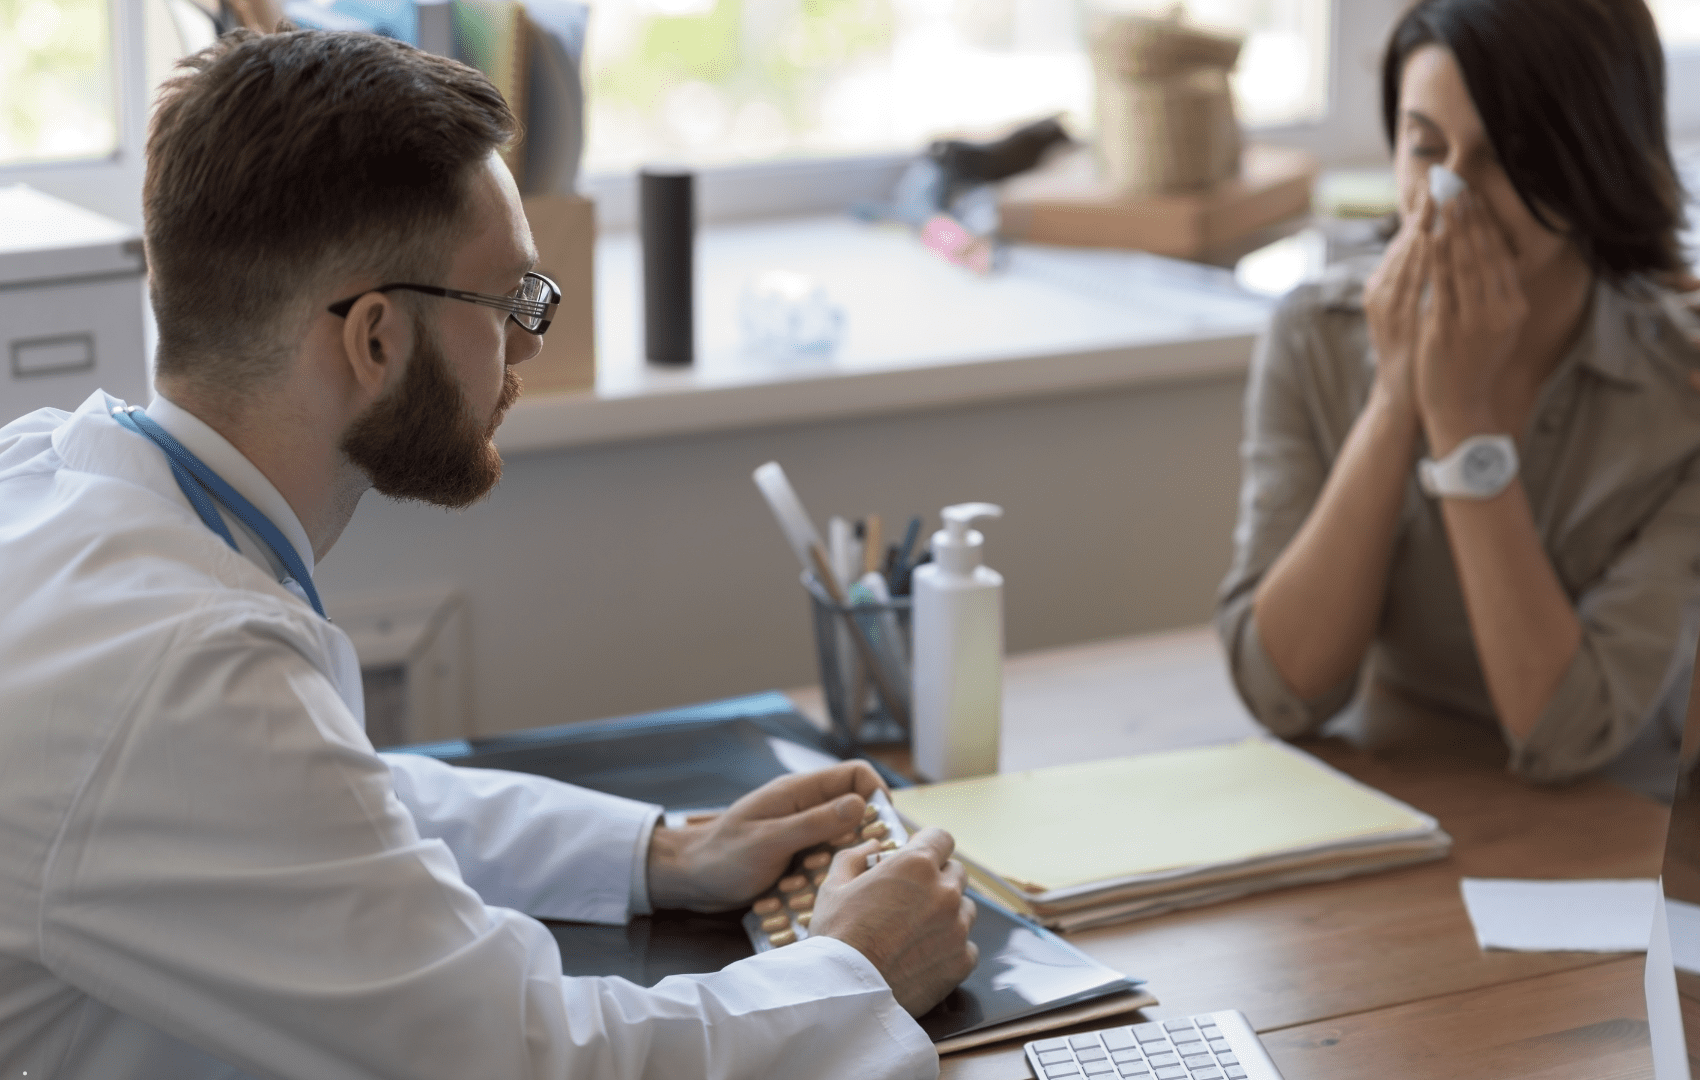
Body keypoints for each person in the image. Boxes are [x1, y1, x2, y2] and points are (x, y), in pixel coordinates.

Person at [0, 28, 977, 1080]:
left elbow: (314, 803)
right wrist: (850, 966)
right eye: (511, 301)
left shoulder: (60, 478)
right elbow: (525, 1060)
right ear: (374, 339)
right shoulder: (188, 668)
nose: (528, 345)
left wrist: (660, 852)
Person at [1216, 0, 1700, 786]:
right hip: (1404, 792)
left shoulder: (1678, 390)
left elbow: (1566, 734)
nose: (1449, 196)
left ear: (1595, 153)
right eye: (1426, 148)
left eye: (1506, 154)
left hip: (1621, 830)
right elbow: (1283, 694)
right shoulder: (1314, 335)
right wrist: (1398, 399)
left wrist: (1464, 423)